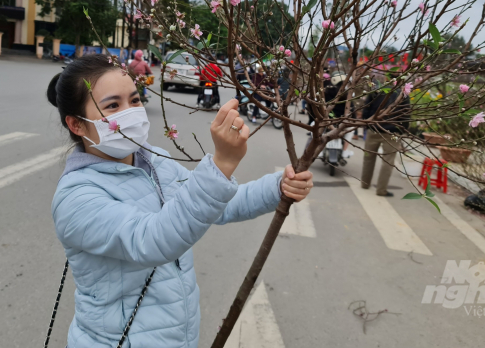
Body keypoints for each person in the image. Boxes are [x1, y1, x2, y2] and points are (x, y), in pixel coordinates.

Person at [46, 54, 313, 348]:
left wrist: (277, 186)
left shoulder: (153, 161)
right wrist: (221, 162)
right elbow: (152, 240)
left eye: (134, 100)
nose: (131, 112)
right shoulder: (76, 197)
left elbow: (217, 203)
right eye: (113, 105)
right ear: (77, 125)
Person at [360, 84, 411, 196]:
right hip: (392, 132)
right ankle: (381, 189)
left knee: (368, 158)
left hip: (373, 129)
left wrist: (367, 124)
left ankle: (365, 183)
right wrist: (402, 130)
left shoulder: (376, 90)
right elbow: (406, 114)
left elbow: (366, 107)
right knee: (388, 162)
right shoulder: (403, 93)